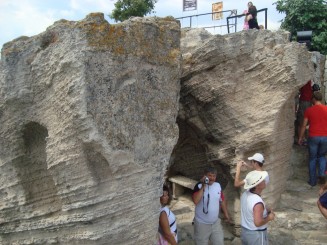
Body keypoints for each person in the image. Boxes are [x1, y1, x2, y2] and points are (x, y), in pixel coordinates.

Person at [192, 166, 232, 245]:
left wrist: (226, 214)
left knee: (219, 243)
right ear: (205, 176)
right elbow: (196, 201)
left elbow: (222, 200)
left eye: (214, 176)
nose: (212, 178)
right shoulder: (199, 186)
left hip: (215, 223)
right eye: (210, 176)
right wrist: (203, 186)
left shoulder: (217, 185)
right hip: (202, 224)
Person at [298, 91, 327, 186]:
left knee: (312, 158)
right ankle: (322, 176)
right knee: (322, 156)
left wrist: (300, 137)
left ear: (313, 99)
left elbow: (303, 125)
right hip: (325, 137)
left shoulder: (309, 110)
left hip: (313, 137)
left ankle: (313, 181)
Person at [240, 170, 275, 245]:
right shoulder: (257, 202)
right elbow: (258, 223)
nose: (265, 181)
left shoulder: (245, 194)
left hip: (245, 232)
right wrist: (269, 217)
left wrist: (265, 210)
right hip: (256, 235)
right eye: (262, 180)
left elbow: (250, 210)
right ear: (257, 185)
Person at [296, 80, 314, 144]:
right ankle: (303, 138)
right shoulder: (308, 80)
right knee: (305, 120)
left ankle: (301, 138)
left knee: (301, 120)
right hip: (308, 100)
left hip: (304, 100)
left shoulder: (305, 79)